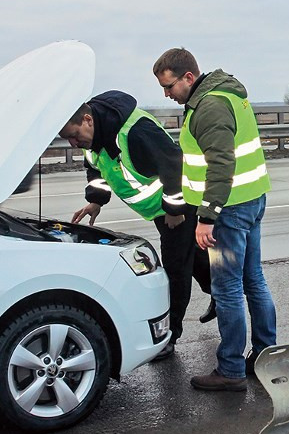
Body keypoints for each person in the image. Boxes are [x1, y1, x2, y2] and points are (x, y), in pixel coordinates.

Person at [153, 48, 276, 392]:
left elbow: (222, 164)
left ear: (188, 78)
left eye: (169, 86)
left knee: (227, 288)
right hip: (250, 201)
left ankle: (232, 369)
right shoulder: (228, 95)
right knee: (253, 280)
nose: (167, 94)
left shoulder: (209, 107)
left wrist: (206, 217)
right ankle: (266, 355)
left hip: (228, 213)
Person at [58, 90, 213, 361]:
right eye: (68, 139)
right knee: (194, 257)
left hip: (177, 205)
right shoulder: (93, 139)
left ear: (87, 119)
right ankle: (222, 297)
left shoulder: (135, 132)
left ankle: (170, 336)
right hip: (159, 209)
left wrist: (175, 209)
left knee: (176, 269)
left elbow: (174, 165)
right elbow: (96, 168)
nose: (73, 144)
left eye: (74, 135)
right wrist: (96, 201)